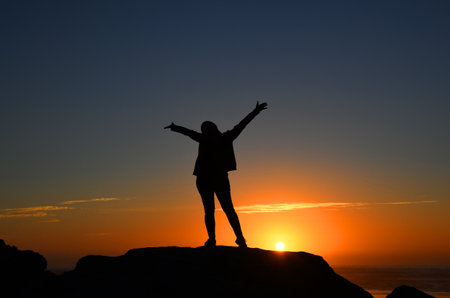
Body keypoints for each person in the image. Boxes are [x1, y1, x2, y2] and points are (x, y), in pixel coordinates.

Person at [164, 101, 268, 248]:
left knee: (219, 210)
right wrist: (176, 128)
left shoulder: (217, 138)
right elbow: (241, 125)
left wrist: (255, 111)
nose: (204, 131)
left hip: (212, 178)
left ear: (210, 129)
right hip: (210, 179)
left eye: (205, 128)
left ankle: (232, 239)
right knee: (218, 210)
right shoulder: (220, 138)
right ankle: (228, 239)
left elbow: (241, 125)